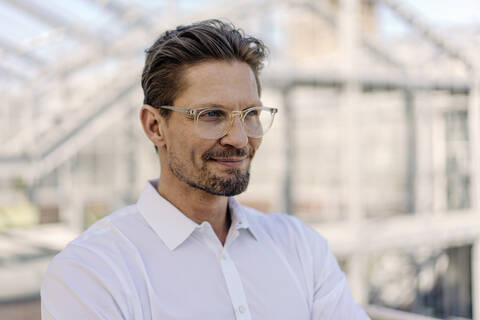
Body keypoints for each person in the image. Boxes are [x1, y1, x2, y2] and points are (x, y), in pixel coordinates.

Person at [41, 19, 370, 320]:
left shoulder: (302, 248)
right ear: (155, 126)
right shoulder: (92, 273)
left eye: (251, 114)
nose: (239, 139)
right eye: (212, 114)